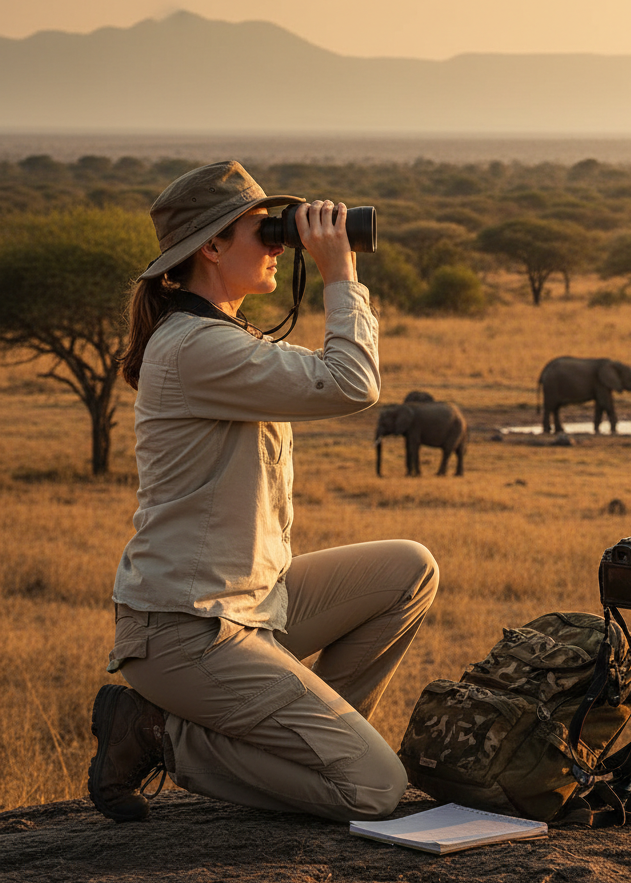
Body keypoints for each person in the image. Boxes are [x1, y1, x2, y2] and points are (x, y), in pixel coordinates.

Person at [88, 160, 438, 823]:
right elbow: (351, 384)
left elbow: (333, 378)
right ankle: (162, 735)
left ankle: (304, 755)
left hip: (247, 607)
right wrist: (340, 272)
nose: (280, 244)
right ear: (212, 248)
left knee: (409, 570)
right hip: (188, 630)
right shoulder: (194, 347)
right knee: (375, 790)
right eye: (264, 231)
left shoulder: (220, 339)